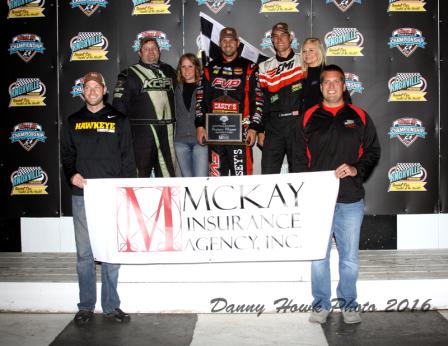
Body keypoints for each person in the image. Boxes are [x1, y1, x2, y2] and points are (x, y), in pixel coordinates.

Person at [292, 65, 380, 324]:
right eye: (326, 82)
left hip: (350, 199)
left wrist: (356, 169)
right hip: (318, 199)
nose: (331, 86)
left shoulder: (360, 116)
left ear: (344, 86)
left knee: (349, 257)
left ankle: (349, 304)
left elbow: (373, 151)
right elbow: (298, 157)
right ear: (320, 87)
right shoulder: (308, 117)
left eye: (336, 82)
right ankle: (321, 304)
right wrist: (306, 188)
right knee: (319, 257)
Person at [61, 72, 136, 325]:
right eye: (87, 87)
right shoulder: (73, 121)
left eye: (96, 87)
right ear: (82, 92)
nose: (92, 91)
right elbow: (67, 157)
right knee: (84, 255)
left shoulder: (120, 120)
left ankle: (111, 306)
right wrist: (72, 175)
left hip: (112, 197)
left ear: (104, 90)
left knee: (111, 254)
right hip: (83, 196)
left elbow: (128, 159)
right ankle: (85, 306)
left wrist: (126, 192)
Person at [195, 27, 264, 176]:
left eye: (231, 40)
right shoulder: (209, 68)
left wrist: (254, 127)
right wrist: (200, 125)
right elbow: (201, 99)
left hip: (241, 134)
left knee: (242, 181)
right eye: (224, 40)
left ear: (237, 43)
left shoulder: (250, 67)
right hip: (215, 136)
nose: (227, 44)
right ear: (219, 43)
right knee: (216, 180)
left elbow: (257, 100)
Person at [112, 36, 176, 177]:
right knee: (140, 176)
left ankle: (167, 200)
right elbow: (118, 107)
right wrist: (123, 135)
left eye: (154, 48)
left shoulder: (170, 71)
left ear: (159, 51)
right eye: (146, 49)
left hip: (168, 133)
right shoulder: (128, 74)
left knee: (168, 176)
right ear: (140, 53)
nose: (151, 52)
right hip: (141, 134)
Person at [258, 22, 305, 174]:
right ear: (271, 40)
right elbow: (261, 101)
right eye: (275, 36)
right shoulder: (264, 66)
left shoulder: (304, 61)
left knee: (300, 176)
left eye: (283, 35)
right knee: (268, 176)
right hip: (274, 128)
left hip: (298, 125)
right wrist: (260, 129)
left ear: (290, 38)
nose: (279, 39)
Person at [174, 53, 208, 177]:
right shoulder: (175, 88)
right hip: (180, 142)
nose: (187, 70)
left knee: (200, 181)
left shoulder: (204, 88)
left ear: (196, 68)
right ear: (179, 69)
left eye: (190, 66)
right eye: (183, 67)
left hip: (200, 141)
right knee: (187, 183)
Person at [301, 37, 351, 113]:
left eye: (311, 50)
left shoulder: (328, 73)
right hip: (307, 121)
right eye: (304, 51)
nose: (307, 53)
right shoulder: (301, 75)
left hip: (326, 120)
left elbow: (346, 100)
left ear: (319, 51)